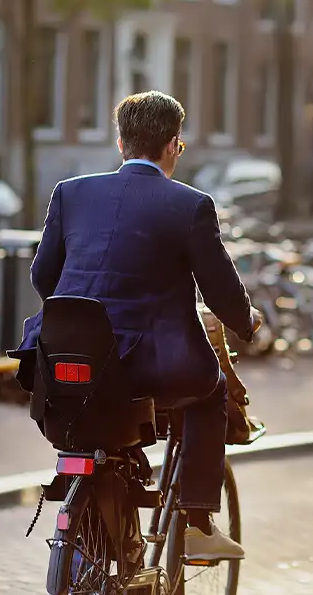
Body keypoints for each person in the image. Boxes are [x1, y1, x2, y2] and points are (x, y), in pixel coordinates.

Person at [19, 90, 258, 565]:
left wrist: (84, 321)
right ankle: (196, 523)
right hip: (150, 365)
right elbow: (221, 293)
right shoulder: (191, 205)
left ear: (120, 143)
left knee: (98, 408)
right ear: (173, 145)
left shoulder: (70, 192)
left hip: (65, 355)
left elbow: (43, 277)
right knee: (209, 392)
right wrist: (248, 324)